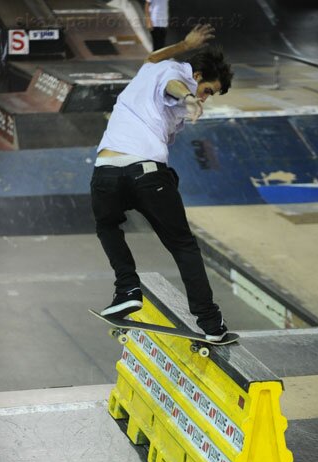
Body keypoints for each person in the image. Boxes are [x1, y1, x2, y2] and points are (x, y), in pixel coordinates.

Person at [90, 25, 234, 341]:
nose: (205, 98)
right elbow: (173, 86)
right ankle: (211, 324)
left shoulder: (150, 70)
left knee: (107, 226)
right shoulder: (181, 79)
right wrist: (189, 98)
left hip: (105, 171)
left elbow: (153, 56)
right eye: (208, 90)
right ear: (197, 77)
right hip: (145, 171)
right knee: (183, 245)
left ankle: (126, 287)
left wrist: (184, 43)